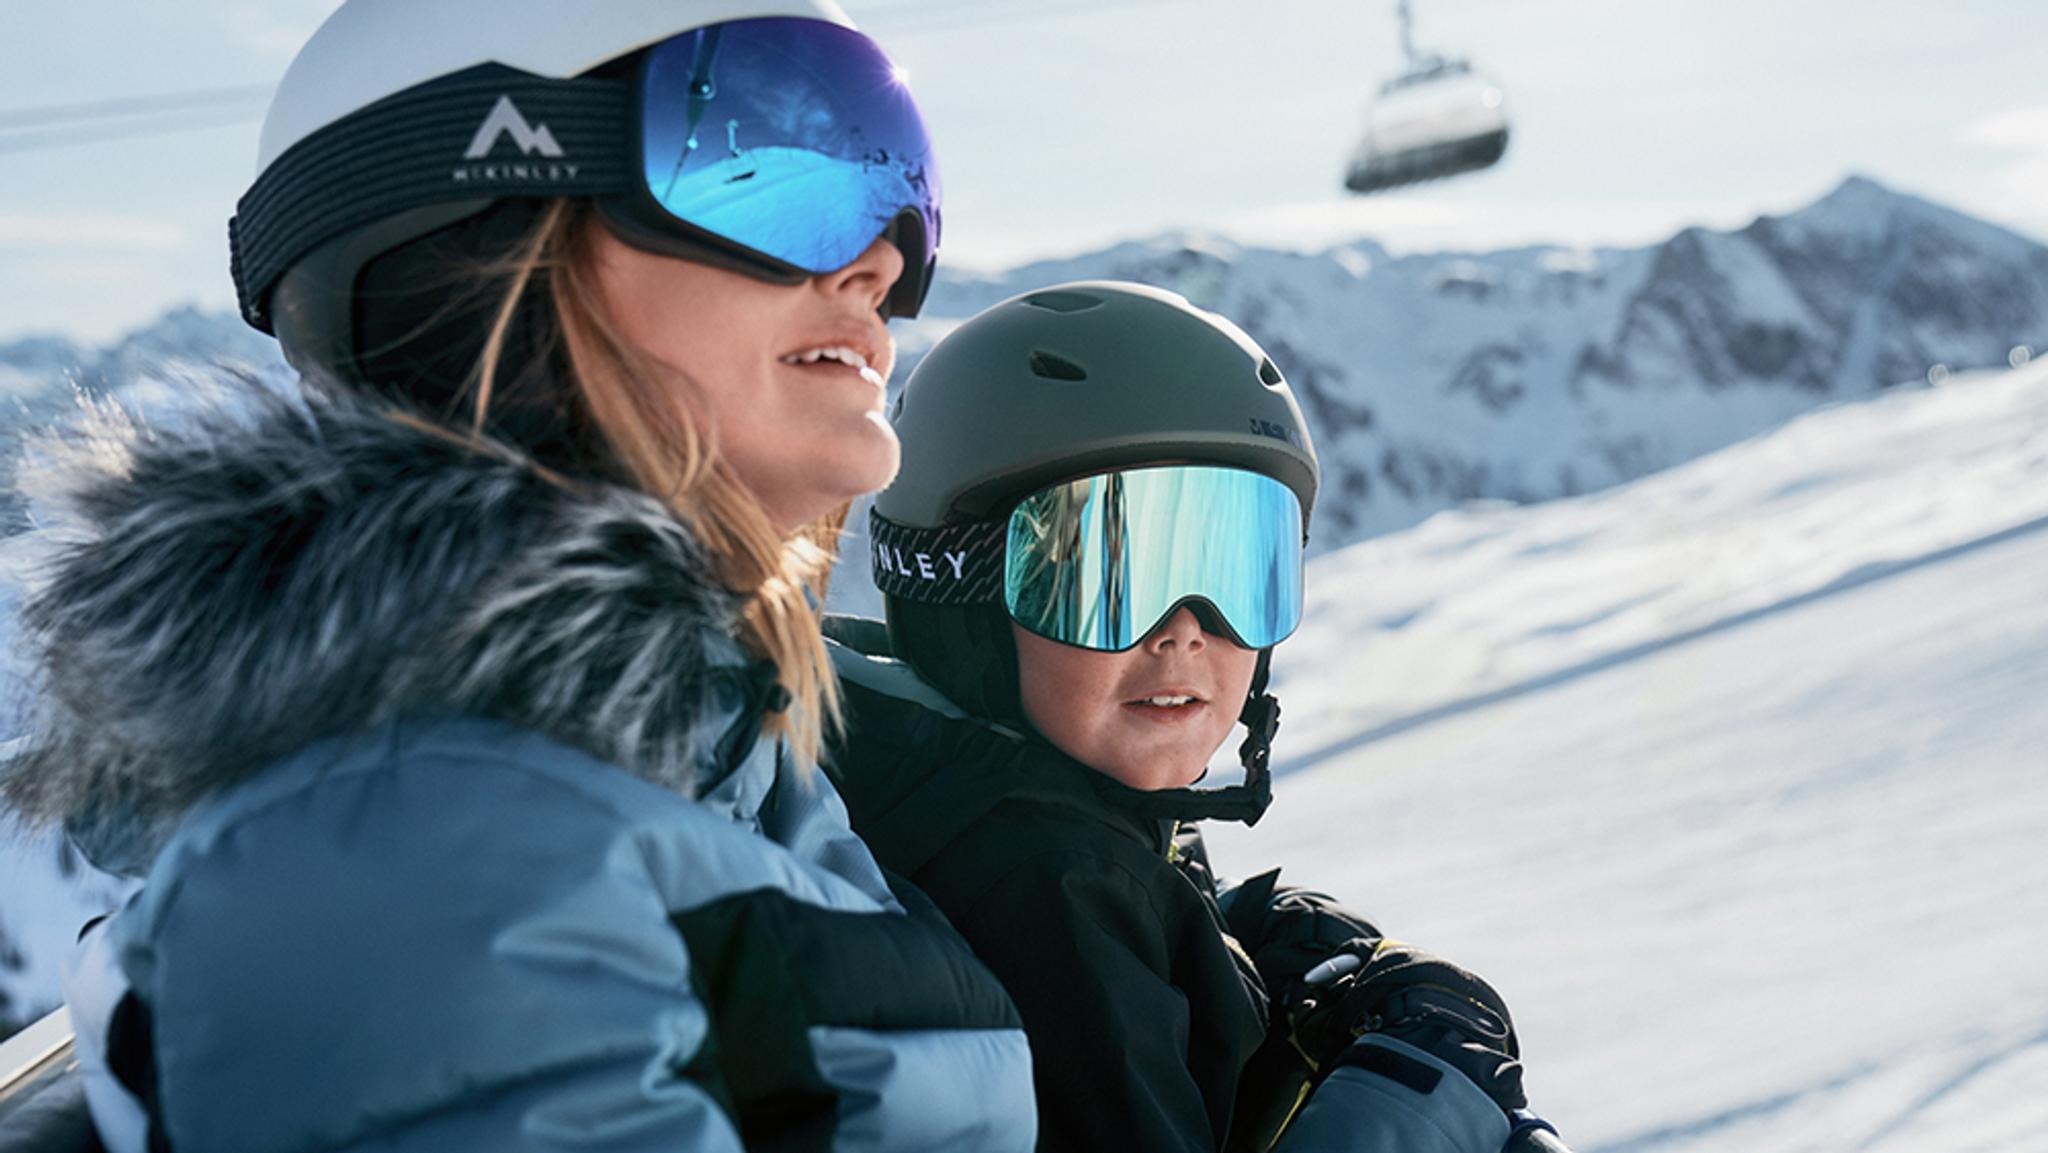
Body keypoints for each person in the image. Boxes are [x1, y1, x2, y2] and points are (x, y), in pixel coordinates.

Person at [0, 3, 1035, 1151]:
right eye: (756, 157)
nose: (883, 259)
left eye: (895, 178)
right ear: (469, 241)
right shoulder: (410, 844)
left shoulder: (701, 755)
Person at [825, 281, 1535, 1153]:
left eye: (1239, 568)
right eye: (1107, 575)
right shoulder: (1043, 886)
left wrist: (1228, 937)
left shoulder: (940, 786)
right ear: (957, 596)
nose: (1186, 631)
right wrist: (1421, 1103)